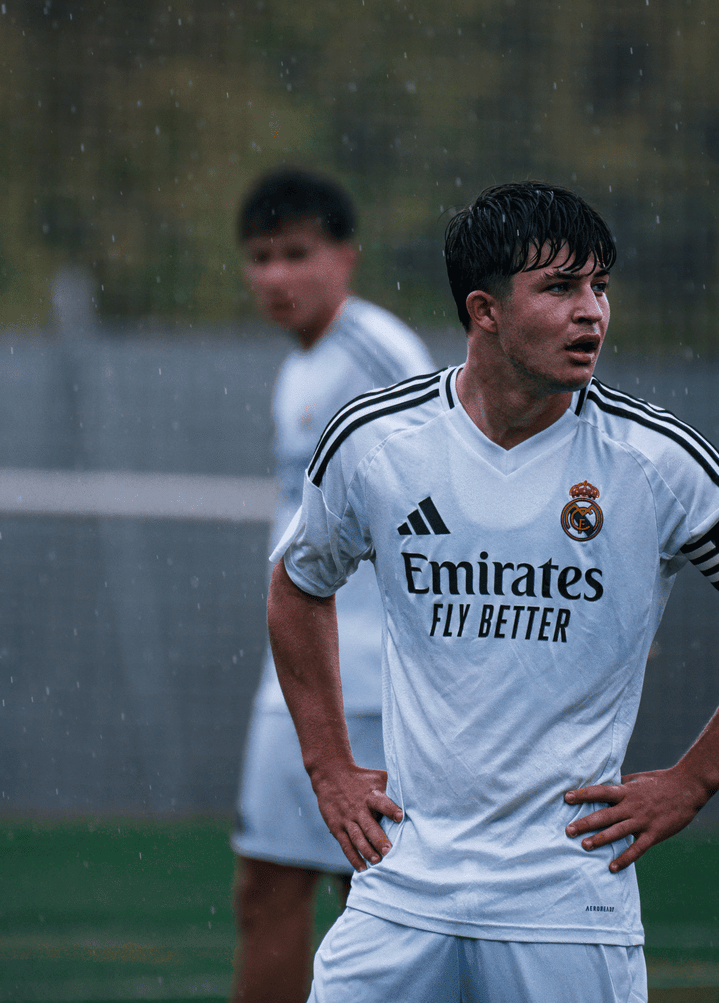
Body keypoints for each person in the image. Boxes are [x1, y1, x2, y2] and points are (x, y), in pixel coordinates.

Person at [267, 182, 719, 1001]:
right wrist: (329, 768)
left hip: (567, 902)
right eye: (561, 287)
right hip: (403, 884)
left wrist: (693, 780)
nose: (592, 312)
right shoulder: (377, 442)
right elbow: (297, 585)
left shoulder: (655, 459)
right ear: (485, 310)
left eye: (600, 286)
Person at [230, 168, 435, 1003]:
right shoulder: (303, 367)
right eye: (260, 257)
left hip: (369, 683)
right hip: (305, 674)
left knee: (373, 905)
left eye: (296, 253)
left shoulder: (376, 353)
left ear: (345, 257)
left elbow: (441, 492)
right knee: (273, 888)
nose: (276, 275)